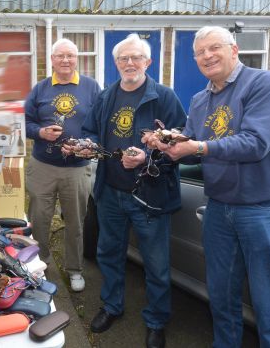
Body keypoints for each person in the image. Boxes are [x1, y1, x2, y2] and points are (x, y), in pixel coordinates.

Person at [145, 26, 270, 348]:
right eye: (200, 52)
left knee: (269, 301)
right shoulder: (200, 99)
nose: (207, 56)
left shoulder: (265, 84)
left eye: (214, 48)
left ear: (234, 49)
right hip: (219, 207)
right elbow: (188, 145)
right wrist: (159, 147)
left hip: (267, 209)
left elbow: (255, 144)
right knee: (220, 297)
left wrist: (198, 147)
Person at [81, 33, 187, 348]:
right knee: (109, 254)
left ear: (148, 62)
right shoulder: (106, 96)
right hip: (110, 192)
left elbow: (181, 141)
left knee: (156, 263)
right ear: (116, 63)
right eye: (124, 58)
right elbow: (89, 130)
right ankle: (112, 307)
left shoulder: (165, 97)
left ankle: (156, 321)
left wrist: (149, 157)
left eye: (136, 57)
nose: (130, 63)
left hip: (150, 195)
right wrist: (87, 146)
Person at [25, 38, 101, 292]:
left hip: (78, 169)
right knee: (39, 217)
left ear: (77, 59)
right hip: (43, 165)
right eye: (60, 56)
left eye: (70, 56)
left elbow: (100, 127)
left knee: (76, 221)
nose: (65, 60)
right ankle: (41, 265)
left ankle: (74, 269)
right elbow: (25, 123)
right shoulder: (40, 89)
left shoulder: (91, 88)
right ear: (52, 60)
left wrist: (86, 145)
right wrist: (40, 132)